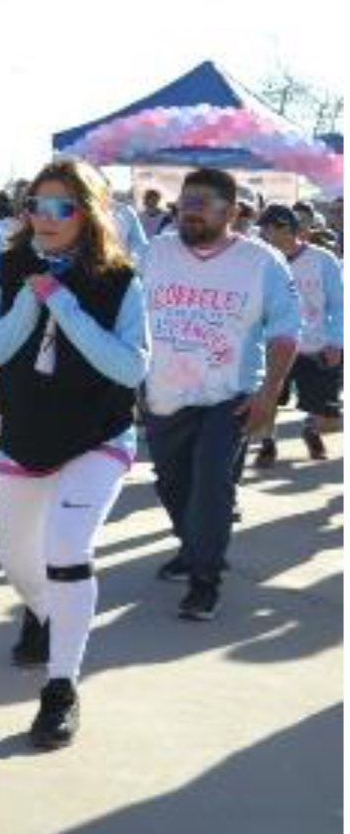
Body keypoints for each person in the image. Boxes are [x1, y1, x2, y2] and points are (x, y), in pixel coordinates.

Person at [0, 159, 150, 751]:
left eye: (61, 208)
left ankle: (61, 687)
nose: (45, 219)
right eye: (36, 207)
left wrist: (65, 307)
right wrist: (28, 306)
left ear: (88, 213)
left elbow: (129, 367)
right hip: (24, 436)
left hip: (97, 436)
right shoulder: (6, 267)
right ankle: (45, 613)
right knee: (17, 560)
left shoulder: (122, 280)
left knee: (67, 549)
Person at [141, 168, 299, 622]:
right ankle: (194, 548)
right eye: (185, 203)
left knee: (211, 480)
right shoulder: (155, 252)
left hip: (229, 395)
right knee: (172, 484)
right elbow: (130, 314)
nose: (188, 213)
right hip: (164, 393)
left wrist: (270, 393)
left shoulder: (262, 261)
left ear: (231, 212)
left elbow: (286, 332)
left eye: (201, 205)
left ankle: (204, 578)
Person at [255, 204, 342, 464]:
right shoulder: (261, 259)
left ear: (287, 228)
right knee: (268, 395)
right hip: (274, 343)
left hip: (314, 344)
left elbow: (339, 304)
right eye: (264, 228)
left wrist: (337, 341)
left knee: (328, 417)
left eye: (271, 228)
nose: (266, 233)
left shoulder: (323, 259)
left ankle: (310, 429)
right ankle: (267, 443)